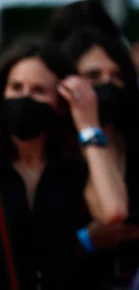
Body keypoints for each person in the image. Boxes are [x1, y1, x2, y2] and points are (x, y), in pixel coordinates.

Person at [0, 38, 129, 290]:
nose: (25, 98)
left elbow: (113, 211)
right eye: (16, 87)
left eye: (39, 91)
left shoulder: (72, 165)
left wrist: (88, 122)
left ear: (60, 103)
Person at [61, 24, 139, 287]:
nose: (108, 84)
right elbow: (112, 211)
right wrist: (89, 125)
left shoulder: (138, 141)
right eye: (93, 75)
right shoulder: (57, 148)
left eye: (116, 75)